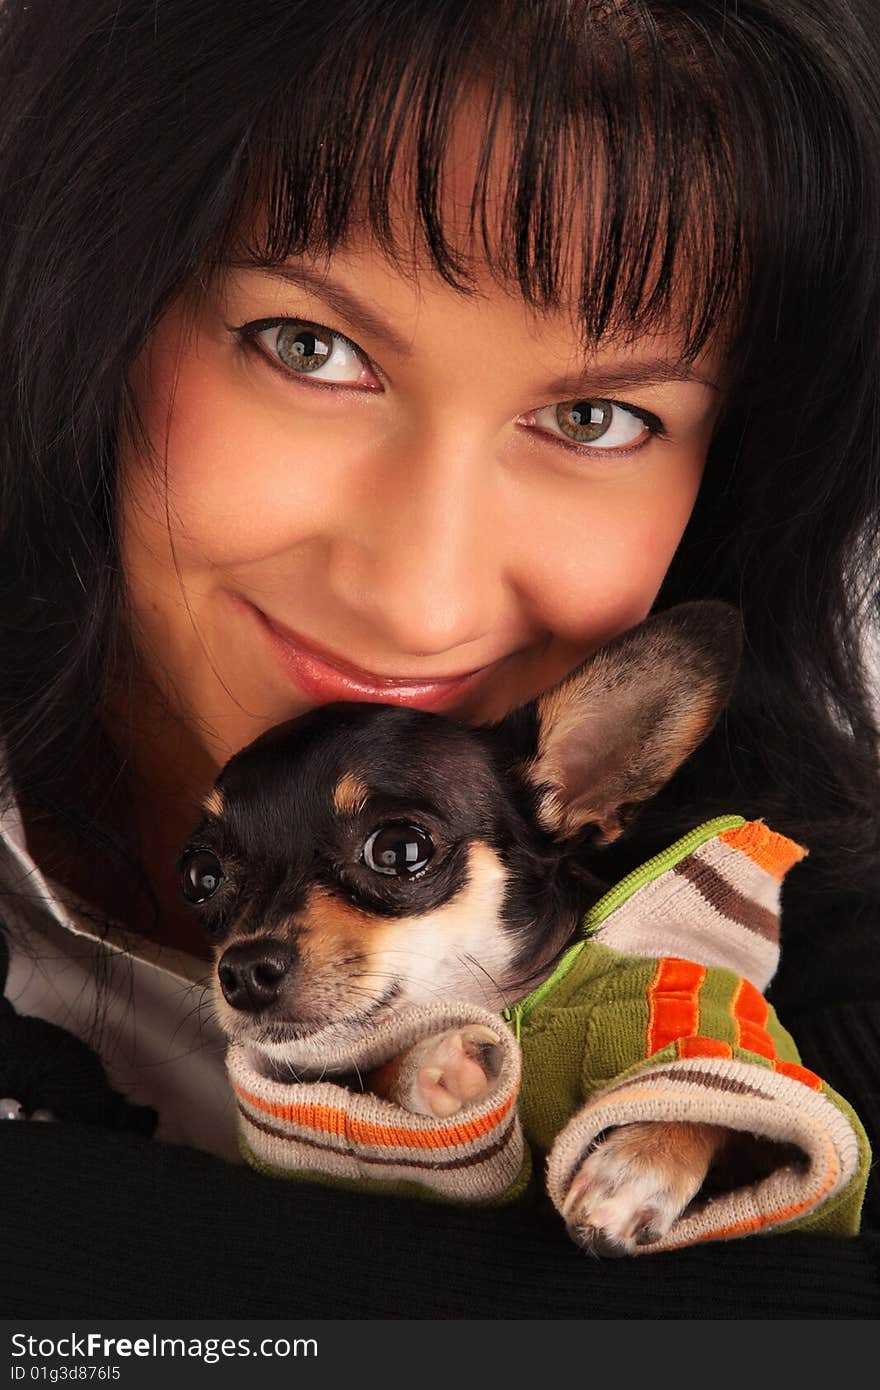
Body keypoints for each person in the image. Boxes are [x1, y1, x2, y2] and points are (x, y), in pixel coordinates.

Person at [1, 0, 879, 1318]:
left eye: (596, 415)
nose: (419, 604)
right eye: (311, 346)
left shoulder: (806, 969)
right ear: (80, 299)